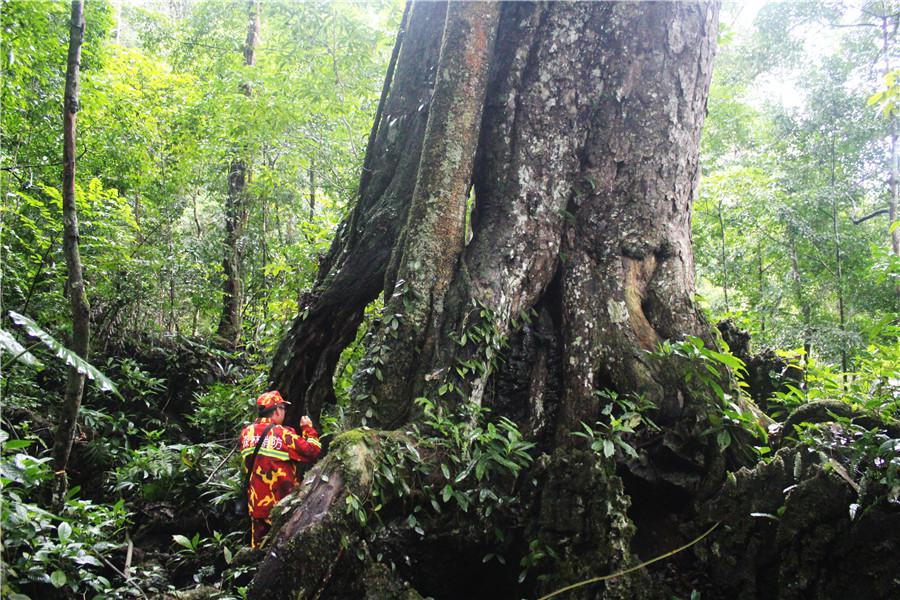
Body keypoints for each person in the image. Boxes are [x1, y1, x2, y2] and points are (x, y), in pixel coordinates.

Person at [239, 390, 321, 548]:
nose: (284, 412)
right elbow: (313, 450)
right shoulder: (283, 434)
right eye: (283, 408)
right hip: (282, 507)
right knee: (284, 548)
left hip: (256, 506)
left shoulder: (246, 434)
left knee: (259, 550)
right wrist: (307, 429)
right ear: (277, 410)